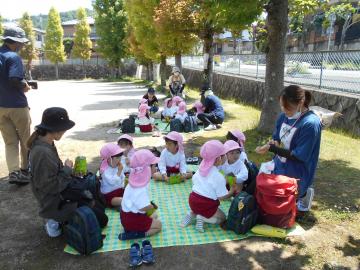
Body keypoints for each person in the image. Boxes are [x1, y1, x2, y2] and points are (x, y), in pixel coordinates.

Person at [27, 107, 108, 237]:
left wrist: (68, 172)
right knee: (101, 220)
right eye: (64, 128)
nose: (65, 131)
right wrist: (67, 169)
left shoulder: (45, 143)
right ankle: (54, 220)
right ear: (55, 129)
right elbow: (49, 186)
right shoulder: (42, 152)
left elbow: (52, 174)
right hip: (53, 199)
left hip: (59, 191)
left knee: (97, 206)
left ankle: (62, 217)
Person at [255, 85, 322, 212]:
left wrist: (272, 148)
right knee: (261, 193)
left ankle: (303, 193)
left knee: (277, 205)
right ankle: (298, 195)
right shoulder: (283, 117)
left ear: (301, 103)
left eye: (288, 108)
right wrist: (273, 143)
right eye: (281, 106)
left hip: (298, 170)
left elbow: (299, 156)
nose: (284, 110)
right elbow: (277, 138)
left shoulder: (310, 124)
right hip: (280, 164)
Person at [0, 26, 32, 185]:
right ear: (16, 42)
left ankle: (13, 172)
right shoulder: (13, 56)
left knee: (10, 142)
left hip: (0, 107)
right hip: (17, 105)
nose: (23, 46)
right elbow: (14, 79)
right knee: (26, 139)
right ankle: (25, 170)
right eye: (22, 43)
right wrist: (25, 86)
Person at [181, 140, 234, 232]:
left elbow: (204, 182)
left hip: (193, 201)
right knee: (222, 218)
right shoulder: (218, 176)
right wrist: (232, 191)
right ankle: (203, 218)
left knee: (199, 209)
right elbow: (221, 197)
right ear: (218, 159)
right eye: (224, 154)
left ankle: (191, 214)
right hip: (206, 204)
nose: (226, 156)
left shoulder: (200, 168)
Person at [119, 149, 162, 240]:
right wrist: (151, 208)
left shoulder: (133, 181)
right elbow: (142, 207)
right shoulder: (140, 189)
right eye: (154, 166)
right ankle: (136, 234)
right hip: (133, 219)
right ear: (147, 169)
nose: (156, 168)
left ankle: (130, 230)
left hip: (125, 217)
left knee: (154, 217)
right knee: (158, 225)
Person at [99, 143, 125, 208]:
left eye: (120, 157)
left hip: (119, 191)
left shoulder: (117, 166)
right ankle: (124, 204)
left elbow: (122, 178)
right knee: (123, 200)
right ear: (109, 158)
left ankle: (123, 205)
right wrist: (119, 172)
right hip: (109, 195)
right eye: (117, 158)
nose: (119, 160)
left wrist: (124, 182)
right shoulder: (105, 170)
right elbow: (112, 182)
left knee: (133, 194)